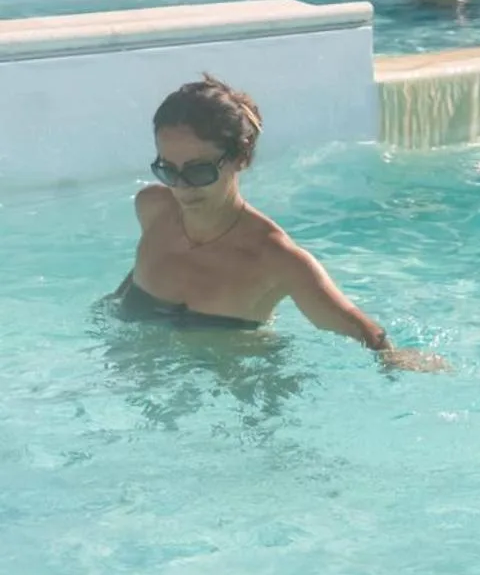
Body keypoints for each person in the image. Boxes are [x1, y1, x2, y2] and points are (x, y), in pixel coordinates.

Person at [115, 77, 444, 370]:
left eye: (199, 171)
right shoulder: (154, 207)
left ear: (240, 159)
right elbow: (146, 266)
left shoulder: (276, 259)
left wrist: (395, 357)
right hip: (144, 374)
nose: (182, 186)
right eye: (168, 170)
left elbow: (361, 330)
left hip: (228, 386)